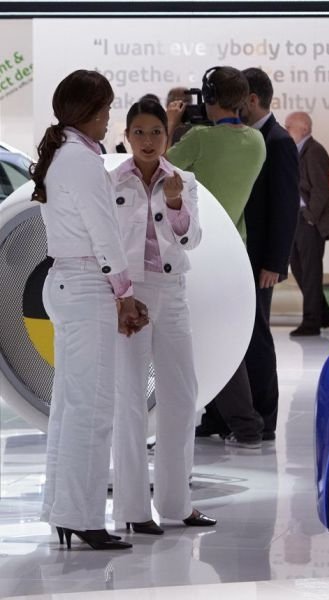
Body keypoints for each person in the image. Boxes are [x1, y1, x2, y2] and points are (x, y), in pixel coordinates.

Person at [31, 69, 148, 550]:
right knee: (92, 408)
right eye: (105, 110)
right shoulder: (80, 159)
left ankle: (65, 510)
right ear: (89, 111)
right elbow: (105, 233)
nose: (108, 121)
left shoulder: (62, 154)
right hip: (85, 285)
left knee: (71, 405)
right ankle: (81, 517)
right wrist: (124, 293)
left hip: (67, 282)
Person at [111, 99, 216, 533]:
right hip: (129, 297)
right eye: (139, 132)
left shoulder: (184, 181)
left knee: (181, 398)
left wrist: (175, 205)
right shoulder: (111, 180)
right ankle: (133, 510)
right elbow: (106, 243)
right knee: (130, 400)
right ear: (127, 136)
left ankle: (177, 504)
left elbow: (191, 240)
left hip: (172, 295)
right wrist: (120, 295)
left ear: (167, 137)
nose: (148, 141)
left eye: (156, 132)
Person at [167, 66, 266, 449]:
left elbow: (159, 168)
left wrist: (173, 122)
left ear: (209, 99)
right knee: (223, 339)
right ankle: (245, 425)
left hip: (193, 247)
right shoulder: (256, 142)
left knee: (183, 338)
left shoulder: (200, 139)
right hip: (233, 250)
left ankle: (178, 418)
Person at [240, 68, 300, 441]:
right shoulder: (247, 139)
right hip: (241, 254)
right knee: (240, 335)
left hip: (261, 259)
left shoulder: (278, 141)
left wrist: (275, 263)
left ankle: (265, 416)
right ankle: (236, 413)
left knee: (258, 335)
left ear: (251, 99)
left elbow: (286, 206)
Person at [284, 111, 329, 336]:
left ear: (304, 129)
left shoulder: (315, 151)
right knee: (299, 269)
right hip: (297, 219)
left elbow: (320, 190)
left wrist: (309, 216)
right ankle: (323, 315)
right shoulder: (296, 151)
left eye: (290, 126)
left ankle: (312, 322)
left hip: (309, 222)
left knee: (309, 272)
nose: (286, 130)